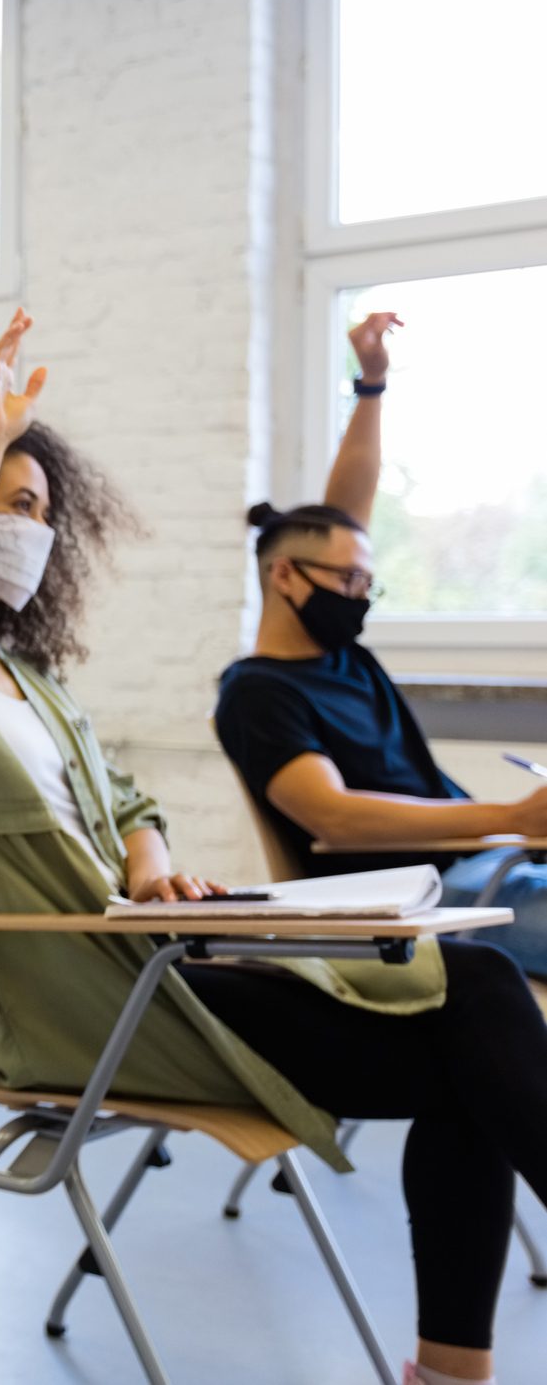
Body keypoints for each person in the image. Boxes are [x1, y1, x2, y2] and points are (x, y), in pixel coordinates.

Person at [0, 308, 547, 1385]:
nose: (33, 528)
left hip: (155, 955)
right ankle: (450, 1374)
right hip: (71, 992)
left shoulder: (33, 680)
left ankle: (450, 1370)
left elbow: (129, 799)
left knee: (473, 1008)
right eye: (12, 506)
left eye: (42, 509)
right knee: (476, 1026)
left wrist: (153, 863)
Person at [216, 313, 547, 979]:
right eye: (347, 580)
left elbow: (343, 516)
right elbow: (332, 818)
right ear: (283, 575)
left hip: (480, 869)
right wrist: (511, 817)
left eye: (367, 580)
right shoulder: (255, 693)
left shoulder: (341, 655)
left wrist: (370, 387)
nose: (359, 594)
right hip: (425, 896)